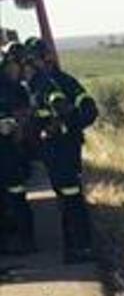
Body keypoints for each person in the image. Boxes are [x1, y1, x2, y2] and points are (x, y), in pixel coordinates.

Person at [26, 38, 98, 263]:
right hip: (56, 153)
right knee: (67, 199)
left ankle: (80, 248)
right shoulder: (44, 85)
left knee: (70, 199)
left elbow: (88, 111)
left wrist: (64, 127)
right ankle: (75, 248)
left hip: (62, 152)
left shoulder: (54, 84)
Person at [0, 41, 33, 255]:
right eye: (14, 65)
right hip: (6, 150)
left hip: (12, 152)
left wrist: (18, 124)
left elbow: (25, 115)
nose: (18, 70)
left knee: (16, 196)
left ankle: (26, 240)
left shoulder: (19, 90)